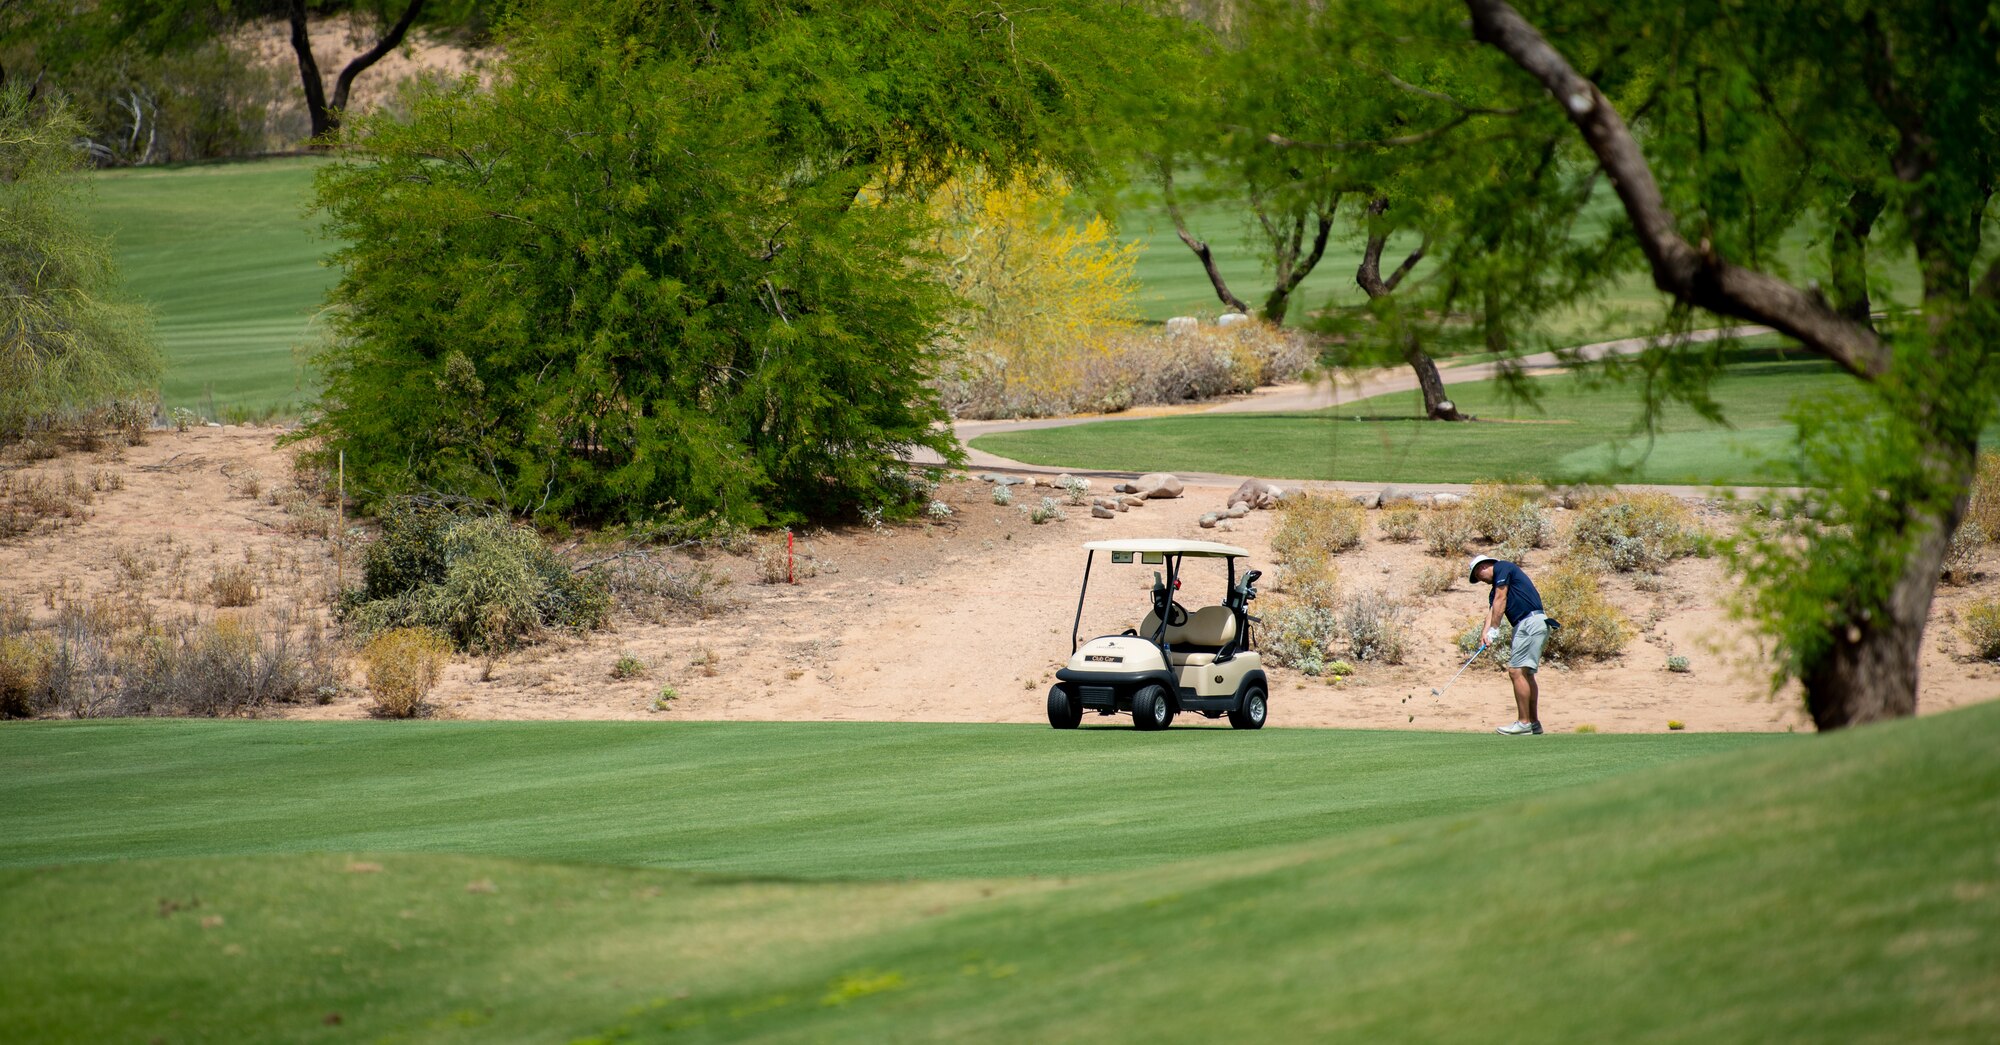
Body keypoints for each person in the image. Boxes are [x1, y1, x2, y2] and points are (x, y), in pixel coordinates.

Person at [1467, 555, 1557, 736]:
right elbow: (1492, 610)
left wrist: (1494, 629)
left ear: (1483, 566)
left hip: (1530, 621)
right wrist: (1485, 634)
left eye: (1478, 574)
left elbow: (1501, 599)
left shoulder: (1503, 567)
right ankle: (1533, 723)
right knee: (1526, 674)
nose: (1479, 579)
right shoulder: (1493, 590)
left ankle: (1523, 723)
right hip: (1525, 624)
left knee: (1516, 671)